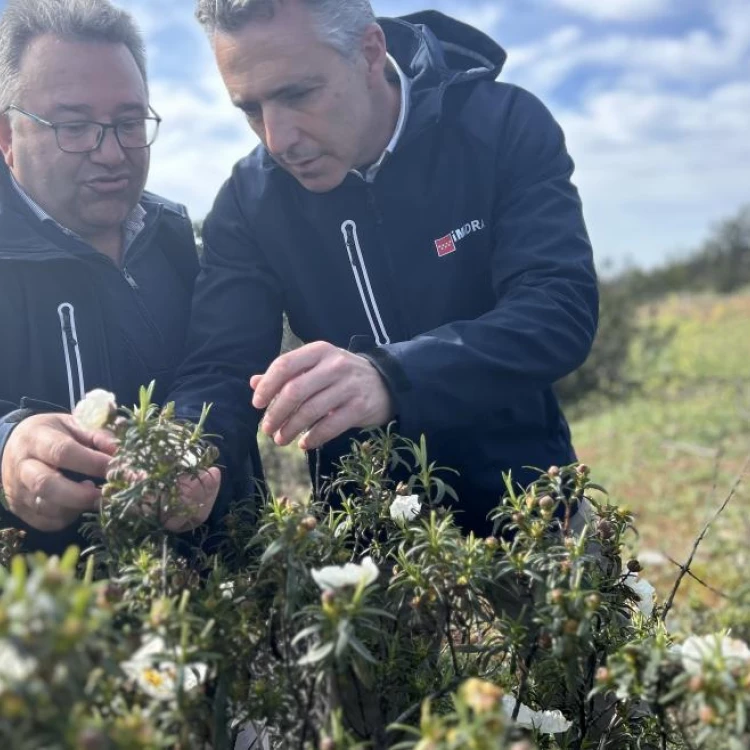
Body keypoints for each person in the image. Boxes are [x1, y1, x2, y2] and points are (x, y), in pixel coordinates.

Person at [172, 0, 599, 535]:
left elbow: (558, 309)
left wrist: (392, 376)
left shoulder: (501, 124)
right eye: (250, 109)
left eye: (298, 94)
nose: (278, 140)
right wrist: (183, 448)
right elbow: (220, 366)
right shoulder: (247, 201)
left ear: (370, 52)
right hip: (367, 533)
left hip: (530, 501)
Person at [0, 0, 220, 554]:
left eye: (128, 123)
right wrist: (7, 445)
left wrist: (204, 441)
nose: (112, 153)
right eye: (74, 126)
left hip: (214, 598)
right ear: (7, 135)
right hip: (50, 619)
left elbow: (222, 366)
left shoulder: (175, 236)